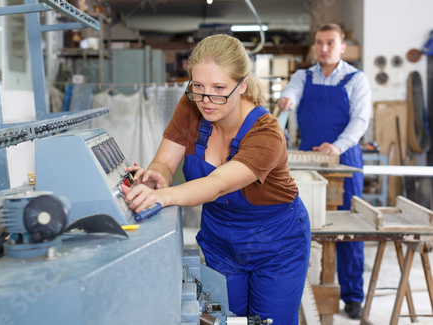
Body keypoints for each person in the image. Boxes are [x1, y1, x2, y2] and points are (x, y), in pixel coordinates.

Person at [120, 34, 311, 324]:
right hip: (220, 239)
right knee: (223, 318)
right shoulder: (192, 105)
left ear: (242, 84)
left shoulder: (267, 134)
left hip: (275, 243)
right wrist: (154, 178)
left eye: (219, 89)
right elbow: (165, 160)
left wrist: (163, 196)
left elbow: (217, 184)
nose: (206, 101)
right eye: (198, 87)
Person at [278, 23, 371, 319]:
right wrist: (286, 100)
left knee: (347, 228)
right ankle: (298, 291)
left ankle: (353, 294)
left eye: (331, 43)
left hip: (343, 160)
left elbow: (360, 120)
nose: (324, 48)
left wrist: (338, 146)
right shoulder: (302, 76)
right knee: (301, 224)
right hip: (307, 160)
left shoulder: (356, 79)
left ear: (342, 46)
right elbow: (290, 94)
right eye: (319, 43)